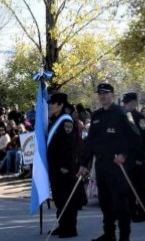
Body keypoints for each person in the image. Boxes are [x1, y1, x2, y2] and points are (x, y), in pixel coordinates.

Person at [78, 83, 145, 241]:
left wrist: (124, 155)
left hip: (118, 166)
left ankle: (124, 236)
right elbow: (90, 143)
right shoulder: (96, 115)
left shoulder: (122, 113)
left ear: (113, 95)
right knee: (105, 202)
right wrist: (84, 163)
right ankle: (109, 234)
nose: (103, 96)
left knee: (120, 203)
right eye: (100, 93)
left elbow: (136, 138)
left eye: (106, 93)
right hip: (101, 165)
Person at [48, 92, 85, 239]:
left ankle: (70, 228)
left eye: (54, 103)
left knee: (66, 197)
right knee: (58, 197)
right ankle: (62, 224)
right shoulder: (55, 120)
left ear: (61, 105)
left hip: (64, 167)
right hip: (55, 165)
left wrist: (66, 166)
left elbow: (71, 146)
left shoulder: (66, 121)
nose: (51, 105)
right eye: (51, 103)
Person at [122, 92, 145, 223]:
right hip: (125, 158)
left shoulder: (140, 118)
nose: (127, 105)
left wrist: (140, 158)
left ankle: (142, 212)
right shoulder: (121, 116)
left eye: (129, 103)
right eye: (125, 103)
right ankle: (131, 211)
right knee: (127, 187)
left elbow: (142, 139)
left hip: (136, 158)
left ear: (134, 103)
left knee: (139, 187)